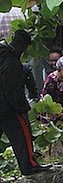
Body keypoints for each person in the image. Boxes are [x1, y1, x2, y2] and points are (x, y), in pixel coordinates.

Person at [0, 29, 50, 175]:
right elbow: (13, 89)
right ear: (23, 45)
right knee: (23, 135)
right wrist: (22, 108)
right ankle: (29, 165)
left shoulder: (3, 56)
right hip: (9, 108)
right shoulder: (12, 62)